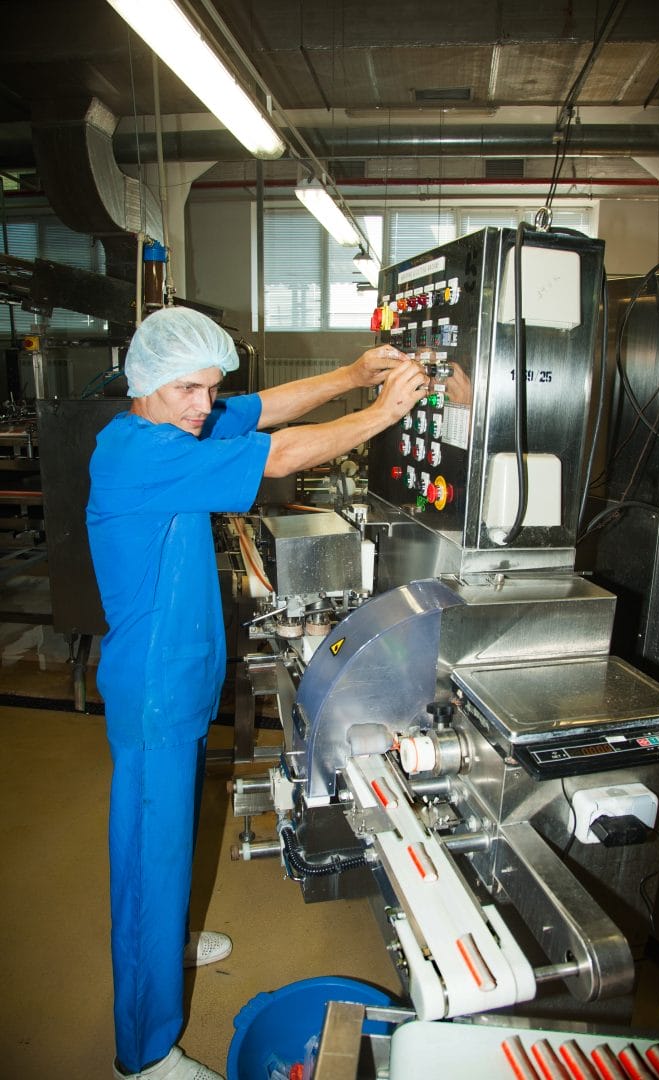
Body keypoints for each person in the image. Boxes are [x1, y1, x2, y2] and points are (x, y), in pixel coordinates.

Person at [86, 305, 429, 1080]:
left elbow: (263, 410)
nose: (205, 405)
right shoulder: (141, 452)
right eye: (191, 391)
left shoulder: (174, 420)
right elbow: (278, 456)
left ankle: (164, 944)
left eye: (210, 389)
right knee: (151, 854)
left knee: (166, 846)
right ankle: (141, 1055)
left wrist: (352, 374)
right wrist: (382, 413)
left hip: (176, 679)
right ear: (146, 383)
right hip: (151, 694)